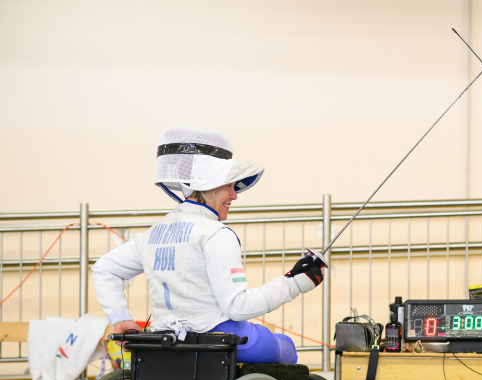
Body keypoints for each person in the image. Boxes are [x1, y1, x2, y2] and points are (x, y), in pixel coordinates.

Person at [93, 126, 325, 364]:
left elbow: (104, 268)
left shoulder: (151, 235)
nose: (234, 195)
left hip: (167, 345)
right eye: (228, 186)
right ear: (208, 185)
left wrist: (119, 318)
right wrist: (295, 283)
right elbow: (238, 306)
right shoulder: (216, 234)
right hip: (217, 342)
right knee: (285, 346)